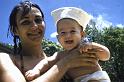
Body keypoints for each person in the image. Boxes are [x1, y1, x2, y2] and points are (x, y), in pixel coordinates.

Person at [0, 1, 98, 82]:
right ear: (15, 30)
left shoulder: (59, 57)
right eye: (25, 22)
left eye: (38, 20)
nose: (34, 26)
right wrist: (65, 63)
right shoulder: (5, 59)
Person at [25, 7, 111, 82]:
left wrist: (93, 45)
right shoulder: (60, 55)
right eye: (63, 32)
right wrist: (36, 70)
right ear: (58, 39)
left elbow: (106, 56)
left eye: (72, 31)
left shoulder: (87, 48)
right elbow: (46, 62)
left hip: (97, 79)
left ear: (82, 34)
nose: (68, 35)